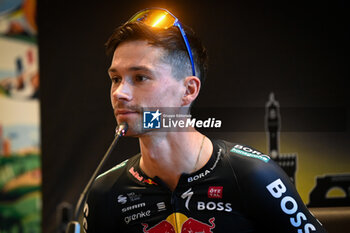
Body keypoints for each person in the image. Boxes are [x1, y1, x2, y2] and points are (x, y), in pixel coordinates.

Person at [82, 8, 327, 233]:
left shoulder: (253, 175)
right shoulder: (105, 192)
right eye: (116, 78)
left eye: (140, 77)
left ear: (188, 90)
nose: (119, 93)